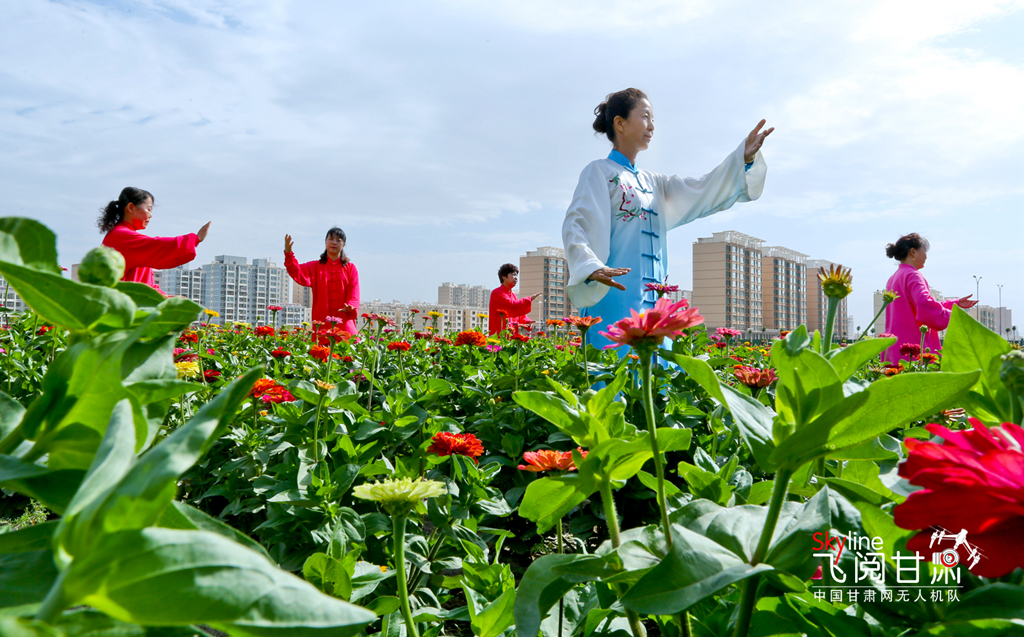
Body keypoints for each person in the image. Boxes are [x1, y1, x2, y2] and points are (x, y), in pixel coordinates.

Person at [562, 88, 772, 349]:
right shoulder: (599, 172)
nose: (652, 126)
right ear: (620, 123)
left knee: (657, 369)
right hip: (615, 296)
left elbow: (701, 189)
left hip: (655, 309)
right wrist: (590, 266)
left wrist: (742, 159)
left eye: (653, 119)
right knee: (614, 366)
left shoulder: (654, 183)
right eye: (645, 117)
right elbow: (576, 224)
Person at [882, 233, 976, 363]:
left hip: (894, 348)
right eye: (924, 251)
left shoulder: (894, 277)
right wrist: (954, 316)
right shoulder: (913, 275)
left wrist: (955, 303)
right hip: (913, 349)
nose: (926, 256)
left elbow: (918, 305)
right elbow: (924, 304)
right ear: (913, 252)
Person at [99, 187, 211, 294]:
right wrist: (195, 239)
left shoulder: (121, 235)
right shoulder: (121, 236)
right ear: (131, 208)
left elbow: (146, 285)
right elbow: (156, 245)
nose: (151, 215)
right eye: (148, 209)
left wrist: (165, 297)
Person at [284, 227, 360, 334]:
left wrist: (351, 306)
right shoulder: (315, 267)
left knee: (352, 342)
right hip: (322, 324)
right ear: (325, 242)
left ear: (343, 244)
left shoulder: (351, 268)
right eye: (331, 239)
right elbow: (296, 271)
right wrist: (289, 254)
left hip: (345, 322)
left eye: (338, 240)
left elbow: (354, 292)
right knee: (321, 344)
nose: (334, 242)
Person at [488, 263, 541, 336]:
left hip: (512, 335)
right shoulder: (497, 293)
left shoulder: (513, 295)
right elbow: (512, 305)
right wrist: (529, 299)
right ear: (504, 277)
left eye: (516, 275)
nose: (516, 278)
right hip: (499, 336)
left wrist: (527, 322)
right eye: (513, 275)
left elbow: (519, 313)